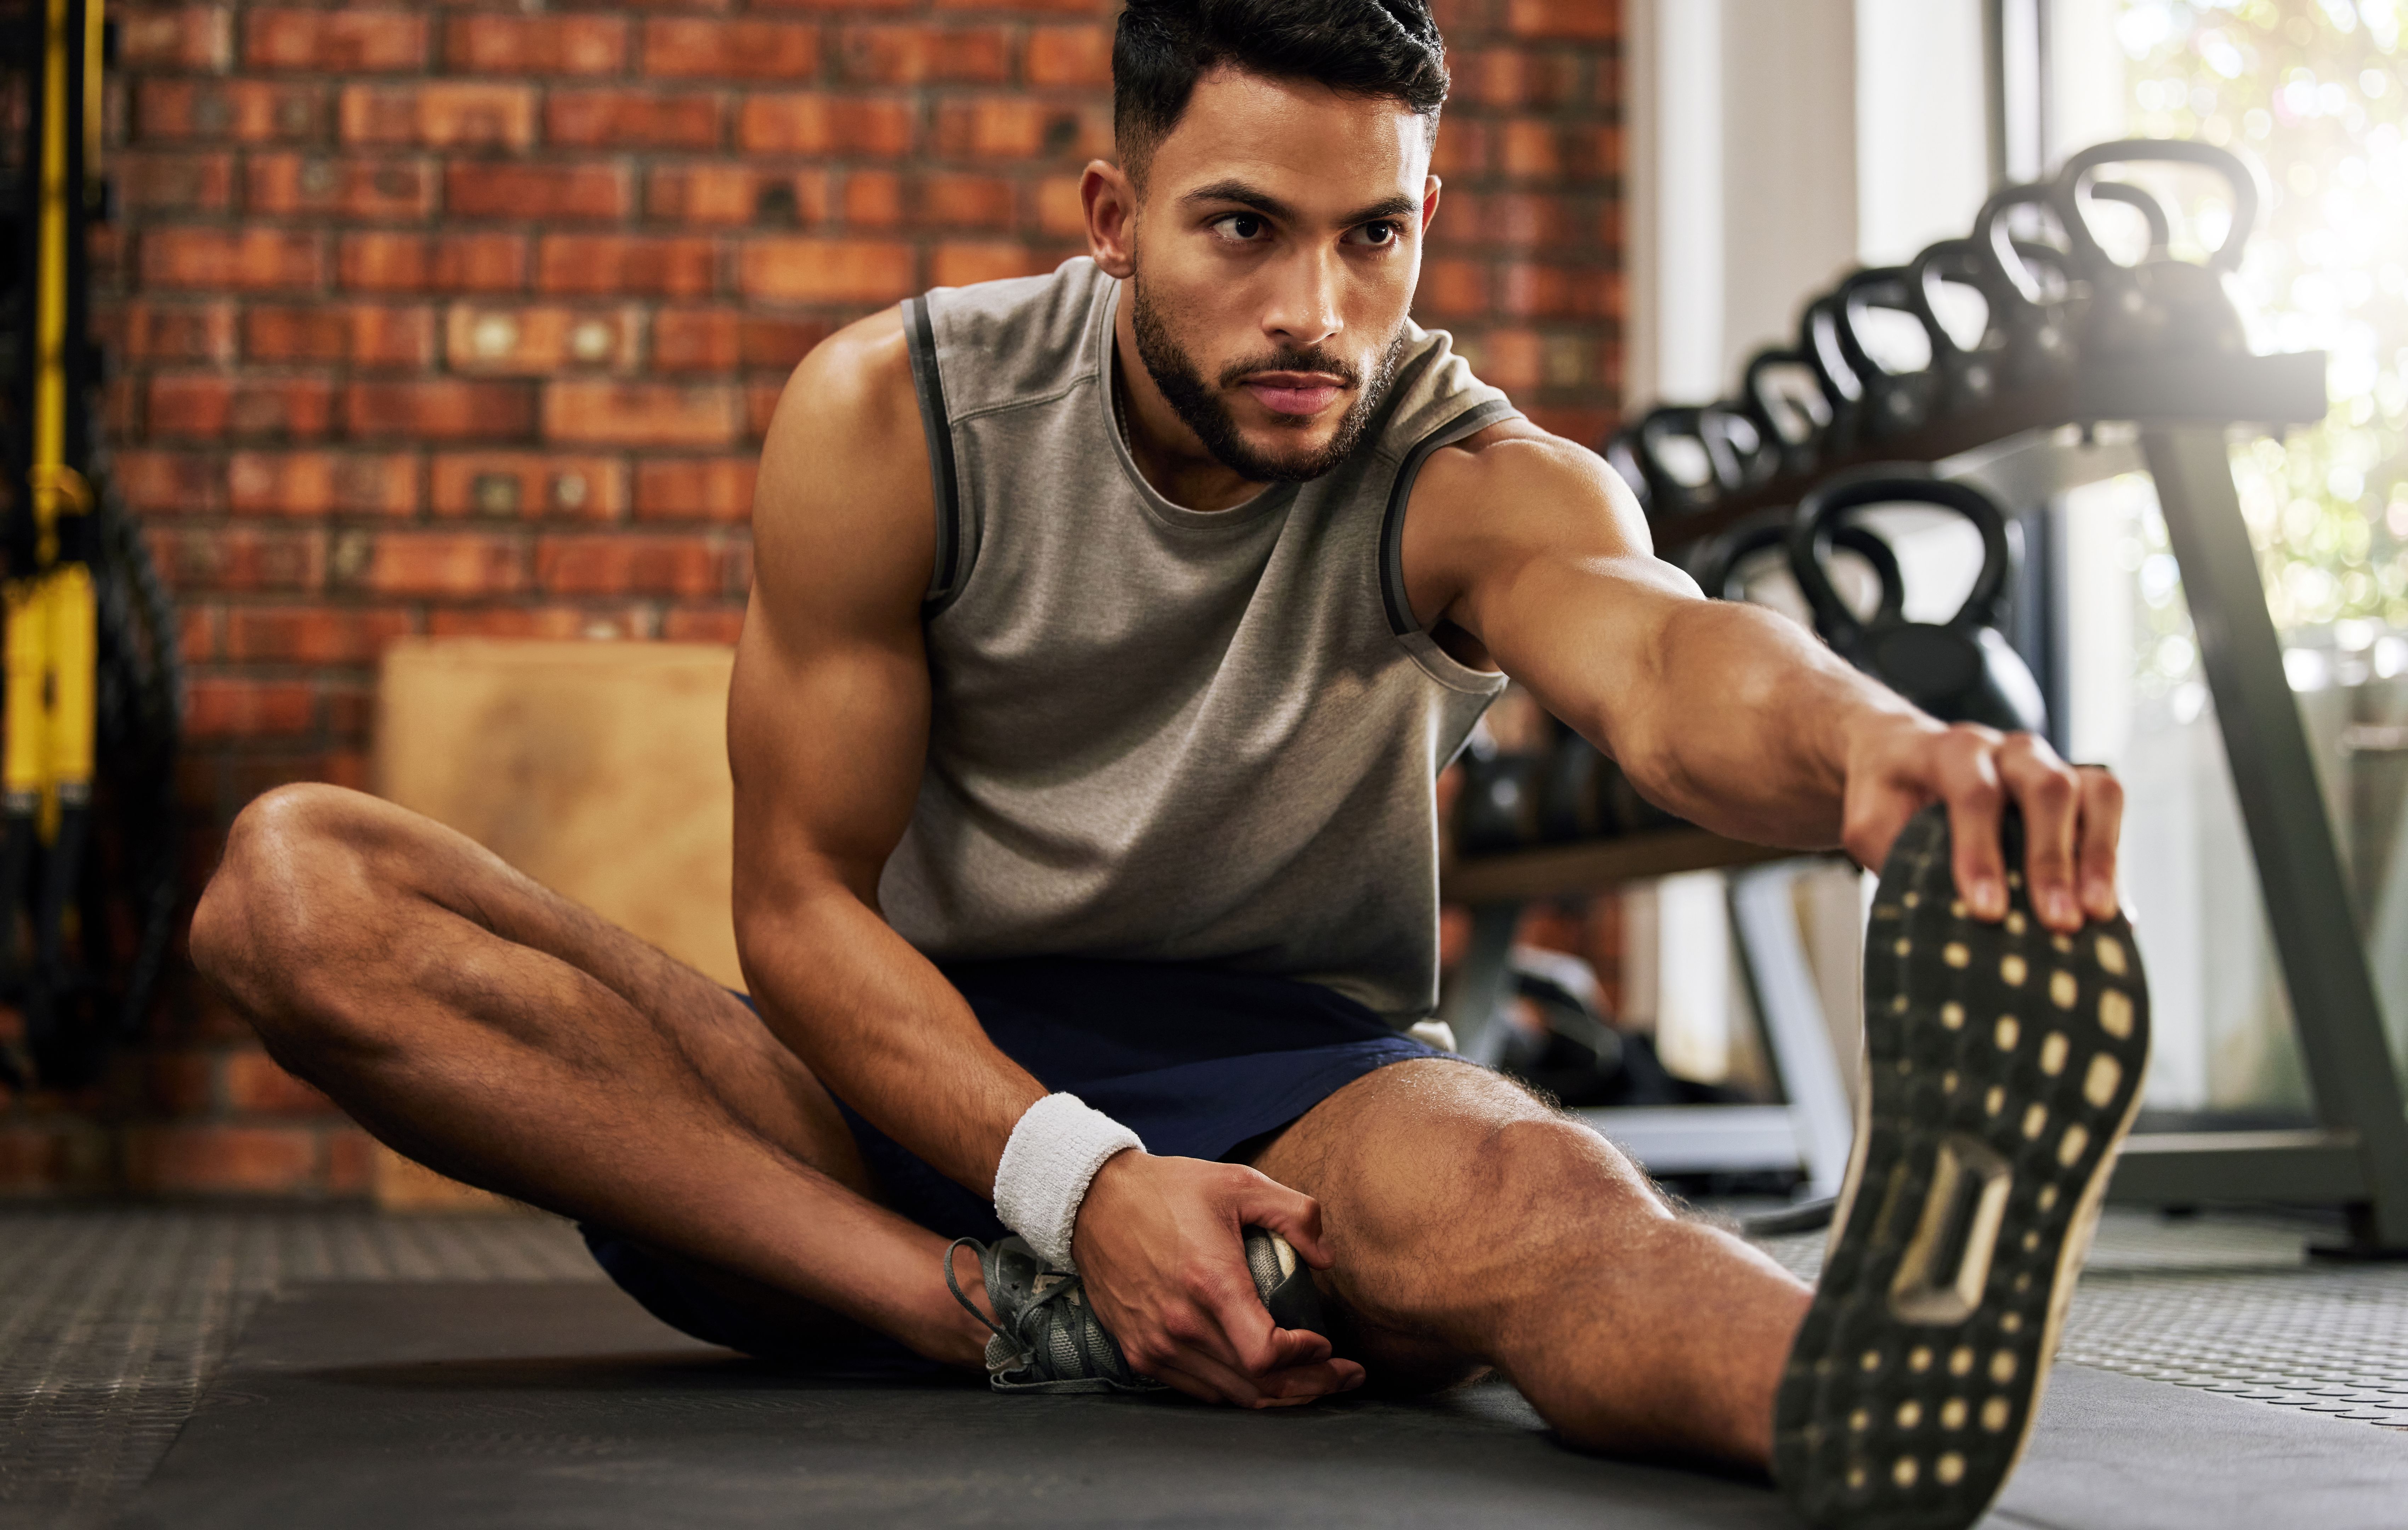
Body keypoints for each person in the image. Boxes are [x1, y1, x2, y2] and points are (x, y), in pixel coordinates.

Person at [189, 4, 2140, 1526]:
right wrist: (1075, 1193)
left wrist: (1877, 748)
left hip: (1303, 1101)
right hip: (897, 1096)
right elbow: (792, 906)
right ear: (1114, 218)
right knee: (297, 885)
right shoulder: (901, 415)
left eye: (1373, 237)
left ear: (1422, 223)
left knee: (1554, 1209)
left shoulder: (1465, 477)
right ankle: (981, 1319)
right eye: (1245, 231)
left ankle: (1858, 1384)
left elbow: (1661, 656)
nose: (1319, 312)